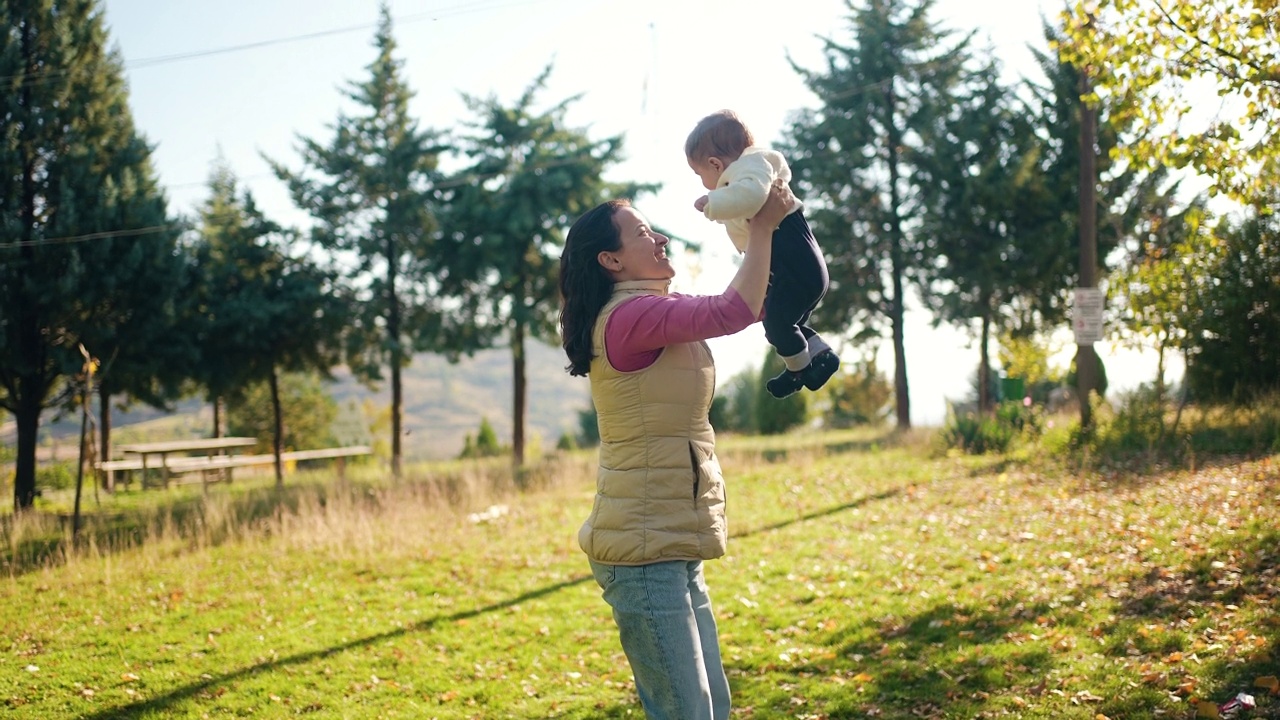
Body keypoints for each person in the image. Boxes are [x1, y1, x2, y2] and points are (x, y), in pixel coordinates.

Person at [557, 182, 795, 720]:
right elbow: (735, 309)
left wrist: (765, 232)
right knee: (687, 712)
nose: (661, 238)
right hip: (644, 552)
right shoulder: (630, 318)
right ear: (611, 259)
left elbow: (748, 303)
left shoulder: (650, 311)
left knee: (711, 708)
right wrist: (761, 228)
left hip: (669, 540)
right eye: (643, 233)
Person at [686, 109, 839, 398]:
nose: (702, 181)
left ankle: (799, 372)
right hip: (793, 269)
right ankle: (820, 356)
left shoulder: (751, 169)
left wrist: (713, 201)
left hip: (798, 267)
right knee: (779, 323)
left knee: (777, 323)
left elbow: (752, 196)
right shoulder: (744, 174)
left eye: (699, 174)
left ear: (715, 164)